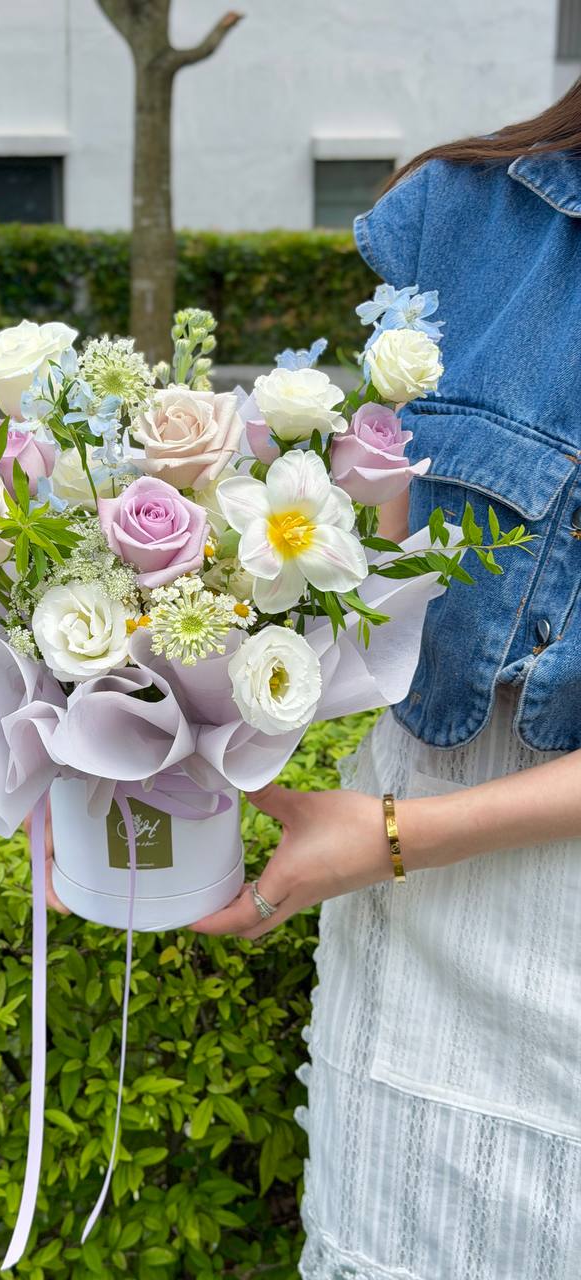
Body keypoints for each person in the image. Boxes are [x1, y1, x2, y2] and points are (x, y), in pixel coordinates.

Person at [34, 80, 581, 1278]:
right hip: (427, 928)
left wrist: (392, 835)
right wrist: (106, 731)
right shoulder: (473, 215)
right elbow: (346, 557)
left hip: (453, 852)